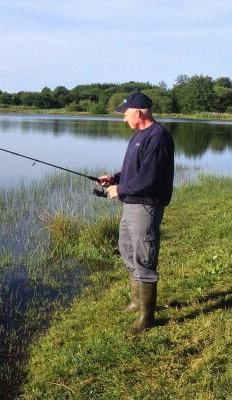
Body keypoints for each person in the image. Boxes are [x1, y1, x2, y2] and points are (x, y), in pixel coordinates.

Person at [98, 91, 174, 333]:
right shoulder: (139, 137)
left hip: (145, 206)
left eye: (126, 114)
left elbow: (149, 178)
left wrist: (118, 189)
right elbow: (135, 171)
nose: (124, 119)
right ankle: (136, 301)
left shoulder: (158, 137)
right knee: (127, 250)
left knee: (144, 258)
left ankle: (146, 319)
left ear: (138, 112)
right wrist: (115, 178)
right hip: (131, 204)